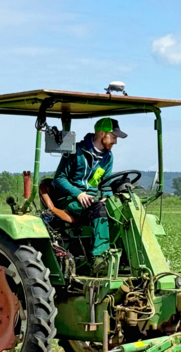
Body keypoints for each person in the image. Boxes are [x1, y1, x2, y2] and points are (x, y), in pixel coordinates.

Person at [51, 117, 126, 276]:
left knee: (120, 211)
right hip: (69, 199)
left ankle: (125, 260)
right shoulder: (75, 151)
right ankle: (99, 260)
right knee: (98, 209)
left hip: (92, 201)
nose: (115, 141)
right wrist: (78, 194)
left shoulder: (108, 157)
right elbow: (59, 179)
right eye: (113, 136)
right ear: (101, 133)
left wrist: (107, 196)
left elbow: (105, 183)